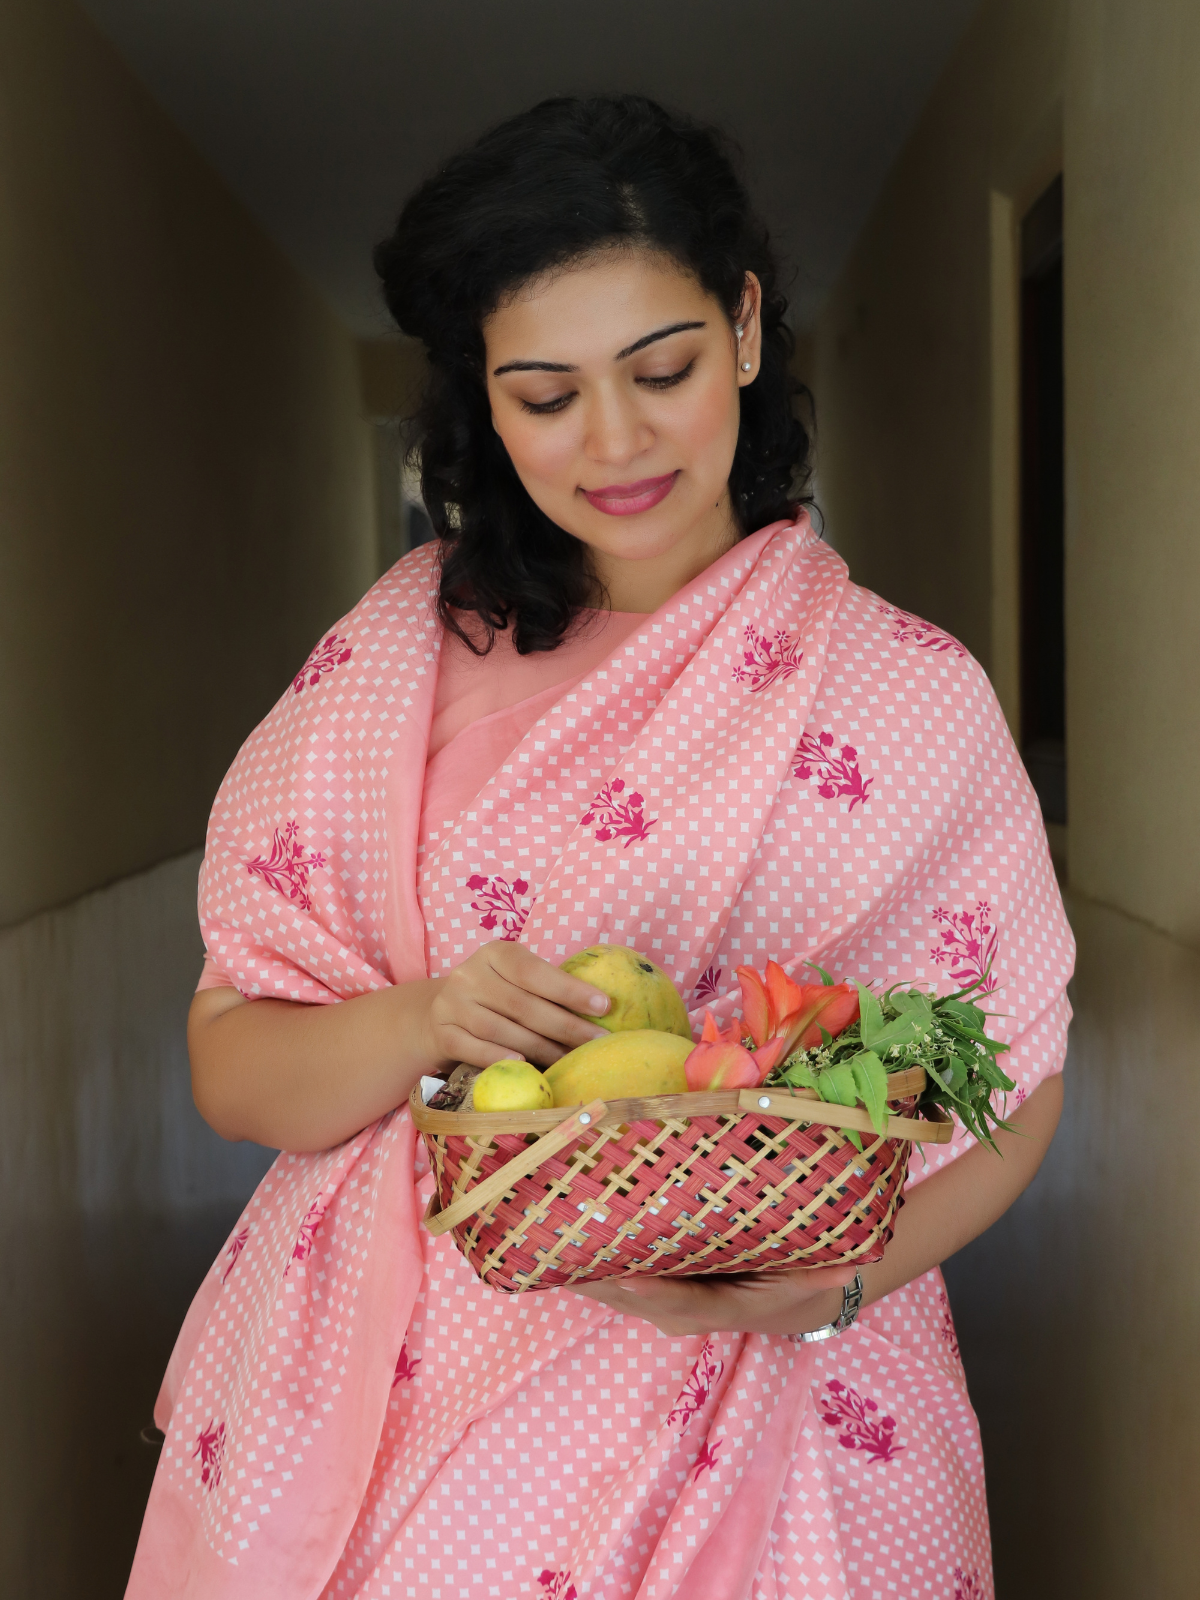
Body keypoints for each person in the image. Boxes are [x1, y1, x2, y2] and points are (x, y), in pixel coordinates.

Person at [127, 95, 1072, 1599]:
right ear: (482, 403)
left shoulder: (903, 691)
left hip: (803, 1417)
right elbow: (232, 1067)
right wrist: (429, 1019)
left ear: (747, 328)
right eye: (545, 393)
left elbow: (1014, 1078)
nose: (616, 442)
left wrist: (819, 1293)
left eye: (664, 369)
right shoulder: (393, 669)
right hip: (422, 1422)